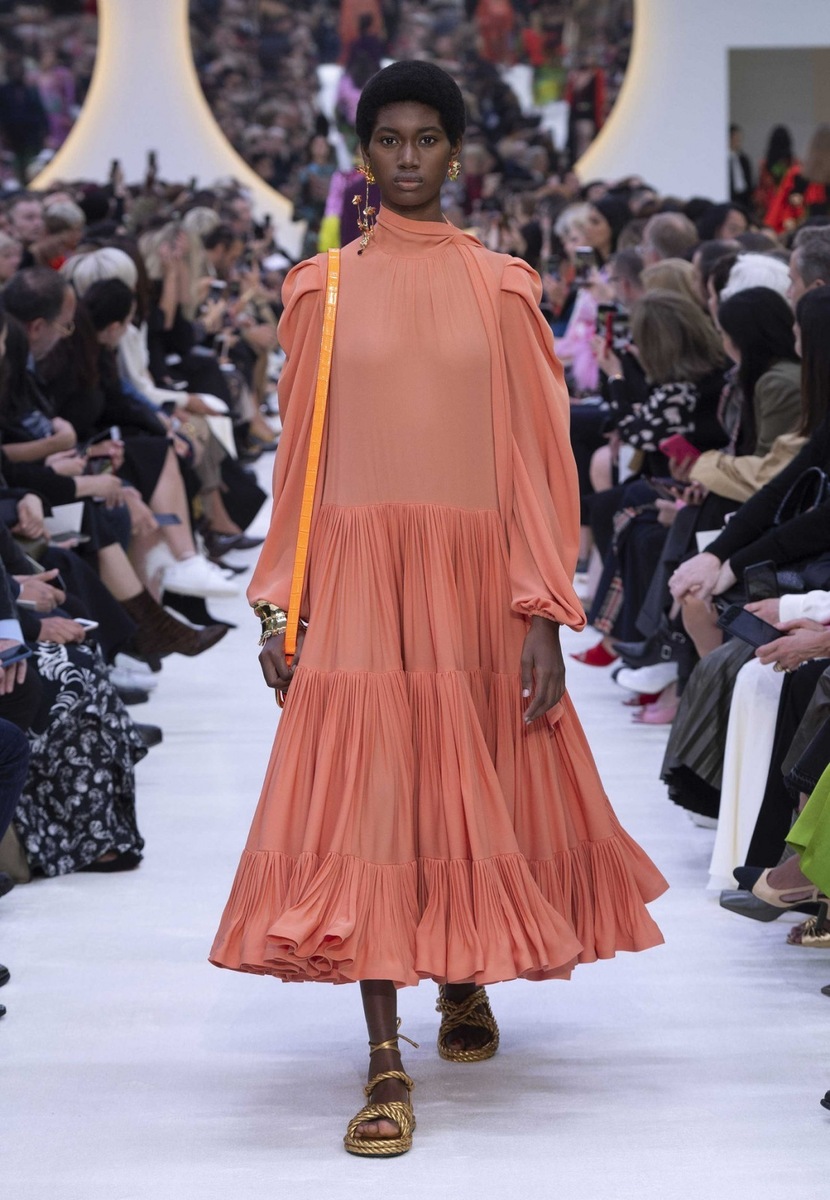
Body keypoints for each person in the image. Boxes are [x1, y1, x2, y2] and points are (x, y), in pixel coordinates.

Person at [210, 59, 666, 1158]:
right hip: (361, 578)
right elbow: (300, 463)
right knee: (371, 801)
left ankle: (462, 971)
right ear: (362, 155)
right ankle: (383, 1058)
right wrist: (280, 606)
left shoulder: (501, 288)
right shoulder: (320, 290)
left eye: (426, 138)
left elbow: (536, 462)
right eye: (389, 139)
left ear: (456, 154)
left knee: (465, 783)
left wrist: (542, 606)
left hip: (472, 580)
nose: (407, 156)